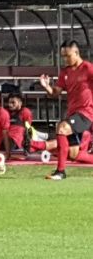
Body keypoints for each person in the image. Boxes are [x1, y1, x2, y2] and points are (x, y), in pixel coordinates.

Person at [39, 40, 93, 180]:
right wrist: (47, 86)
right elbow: (55, 93)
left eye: (67, 56)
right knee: (73, 154)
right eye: (63, 56)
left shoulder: (88, 68)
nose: (65, 59)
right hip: (73, 113)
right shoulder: (65, 72)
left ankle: (60, 172)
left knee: (61, 128)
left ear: (76, 52)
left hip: (86, 112)